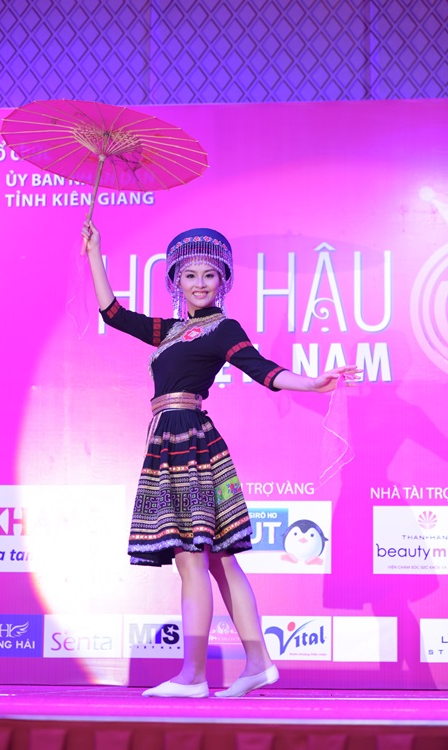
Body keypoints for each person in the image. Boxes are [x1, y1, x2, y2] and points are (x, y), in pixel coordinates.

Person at [82, 221, 360, 698]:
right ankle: (258, 663)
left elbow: (264, 370)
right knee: (218, 560)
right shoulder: (170, 331)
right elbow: (113, 313)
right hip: (170, 440)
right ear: (176, 281)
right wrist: (94, 252)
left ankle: (193, 675)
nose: (200, 283)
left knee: (194, 557)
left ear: (223, 281)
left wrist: (313, 383)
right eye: (190, 275)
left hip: (189, 442)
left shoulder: (223, 328)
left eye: (209, 275)